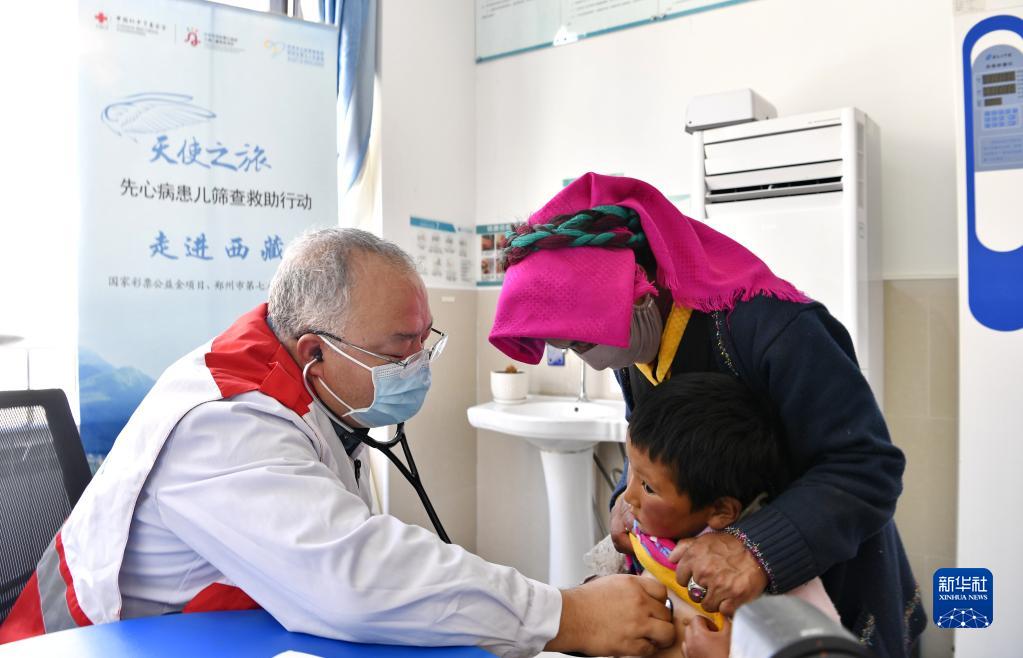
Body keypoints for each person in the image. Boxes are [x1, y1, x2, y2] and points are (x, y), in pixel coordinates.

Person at [0, 228, 676, 657]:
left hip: (223, 627)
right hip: (91, 645)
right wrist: (562, 615)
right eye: (399, 347)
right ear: (314, 353)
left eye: (425, 342)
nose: (418, 365)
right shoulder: (224, 423)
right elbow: (353, 576)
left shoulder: (305, 388)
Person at [488, 173, 927, 657]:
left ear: (641, 291)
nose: (590, 360)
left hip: (827, 575)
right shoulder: (636, 347)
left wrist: (754, 547)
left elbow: (867, 467)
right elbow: (653, 447)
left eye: (583, 342)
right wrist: (627, 500)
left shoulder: (776, 330)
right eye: (571, 346)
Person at [618, 372, 840, 658]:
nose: (628, 496)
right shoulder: (649, 529)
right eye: (631, 470)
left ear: (721, 511)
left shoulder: (765, 573)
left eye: (648, 487)